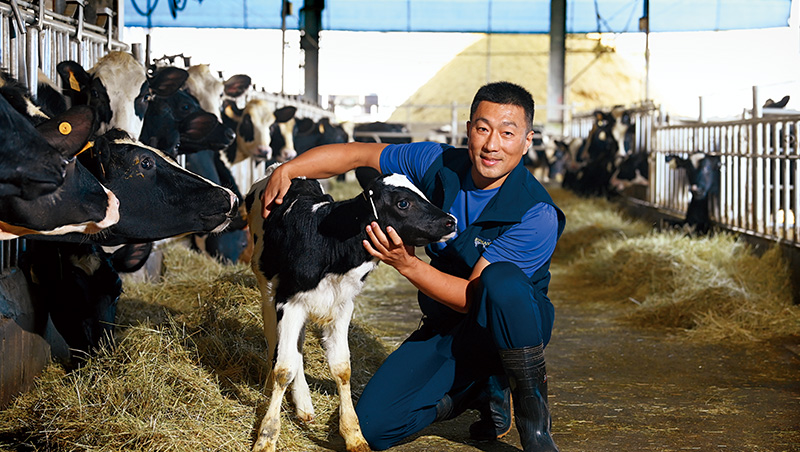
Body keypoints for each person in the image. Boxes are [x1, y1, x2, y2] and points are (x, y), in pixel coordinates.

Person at [260, 81, 565, 452]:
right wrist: (291, 169)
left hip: (508, 326)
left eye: (507, 133)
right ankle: (475, 390)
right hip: (446, 326)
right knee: (373, 427)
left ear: (527, 140)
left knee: (501, 283)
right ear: (469, 129)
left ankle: (535, 428)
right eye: (483, 129)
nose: (492, 144)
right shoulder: (437, 162)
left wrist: (406, 264)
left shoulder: (535, 212)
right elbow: (357, 155)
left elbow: (471, 297)